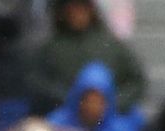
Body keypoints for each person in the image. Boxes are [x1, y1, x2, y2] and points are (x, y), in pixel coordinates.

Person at [17, 0, 147, 114]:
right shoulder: (49, 48)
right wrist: (67, 99)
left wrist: (112, 104)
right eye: (72, 9)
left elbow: (136, 81)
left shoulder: (112, 46)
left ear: (91, 11)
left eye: (81, 9)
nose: (77, 14)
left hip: (110, 118)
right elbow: (35, 81)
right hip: (63, 116)